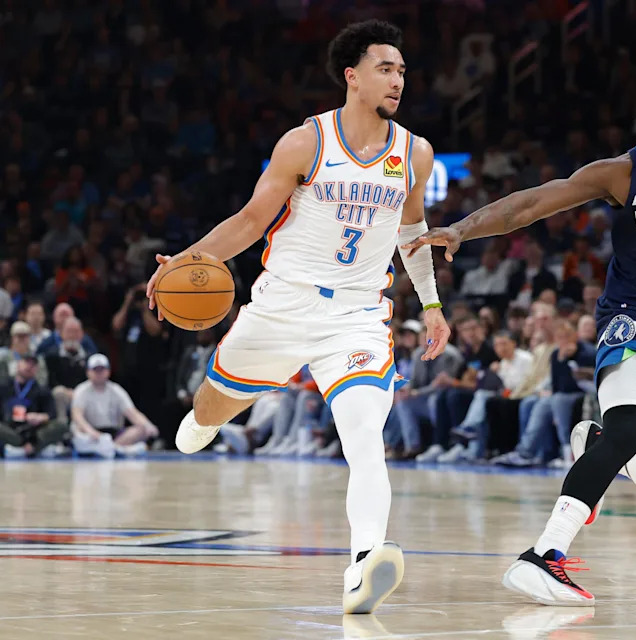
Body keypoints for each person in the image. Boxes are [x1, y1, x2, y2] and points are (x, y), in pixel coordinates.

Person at [404, 66, 636, 604]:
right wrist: (463, 228)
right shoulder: (624, 173)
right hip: (633, 314)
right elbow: (533, 202)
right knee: (631, 426)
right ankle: (544, 554)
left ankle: (601, 447)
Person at [144, 20, 451, 614]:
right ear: (352, 76)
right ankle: (205, 422)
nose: (398, 80)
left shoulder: (415, 153)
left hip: (358, 316)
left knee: (365, 438)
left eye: (403, 71)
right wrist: (182, 261)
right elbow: (252, 219)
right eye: (386, 68)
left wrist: (433, 304)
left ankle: (365, 563)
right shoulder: (306, 143)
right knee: (208, 412)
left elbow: (412, 233)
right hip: (283, 305)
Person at [70, 354, 160, 458]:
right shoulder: (81, 390)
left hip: (114, 434)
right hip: (90, 433)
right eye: (95, 370)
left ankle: (111, 447)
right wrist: (94, 434)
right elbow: (77, 416)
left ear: (108, 371)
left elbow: (132, 413)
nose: (99, 373)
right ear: (88, 372)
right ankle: (115, 449)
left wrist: (148, 425)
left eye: (102, 369)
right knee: (77, 432)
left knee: (141, 429)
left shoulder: (116, 390)